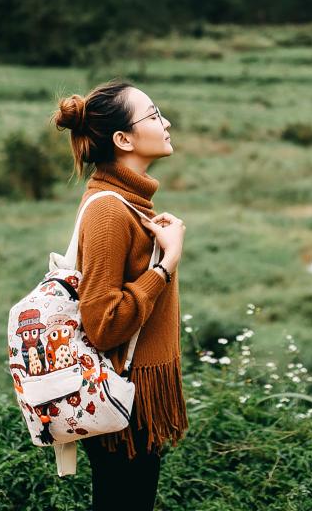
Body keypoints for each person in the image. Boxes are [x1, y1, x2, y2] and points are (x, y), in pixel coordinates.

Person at [51, 78, 188, 511]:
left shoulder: (129, 202)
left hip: (133, 393)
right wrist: (166, 265)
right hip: (121, 392)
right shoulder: (110, 209)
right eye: (153, 115)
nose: (165, 123)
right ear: (123, 138)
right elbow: (103, 323)